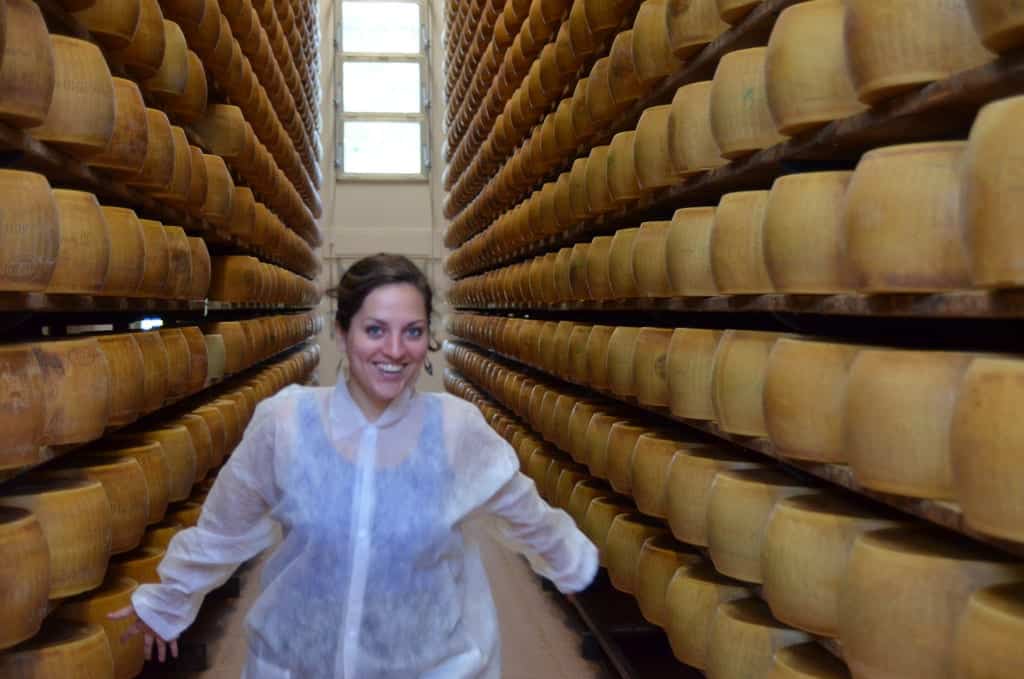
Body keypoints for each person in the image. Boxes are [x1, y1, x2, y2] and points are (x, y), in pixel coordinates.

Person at [110, 253, 599, 678]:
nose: (394, 351)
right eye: (374, 330)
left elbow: (523, 507)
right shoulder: (286, 423)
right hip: (296, 665)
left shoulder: (454, 429)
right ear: (342, 334)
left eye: (412, 332)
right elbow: (224, 527)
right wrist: (170, 599)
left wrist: (570, 564)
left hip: (427, 667)